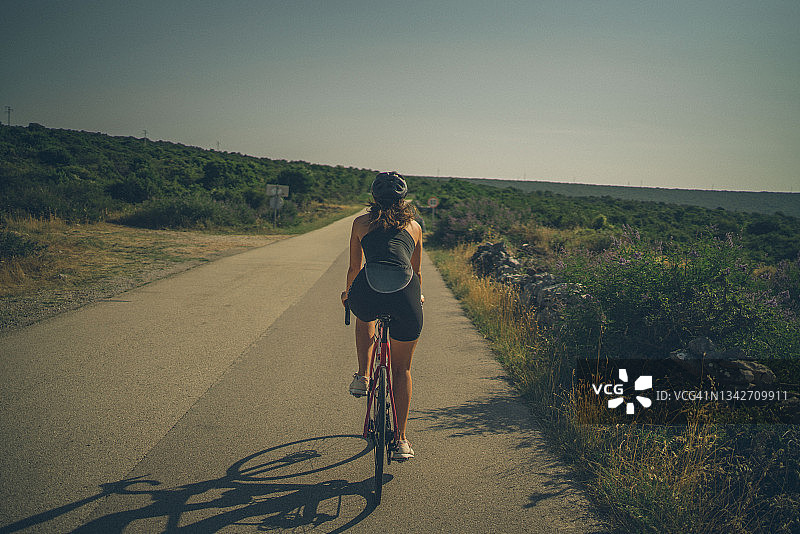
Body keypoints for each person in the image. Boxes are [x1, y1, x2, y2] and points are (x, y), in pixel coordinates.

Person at [341, 171, 424, 460]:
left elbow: (354, 269)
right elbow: (416, 271)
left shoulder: (360, 223)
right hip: (406, 297)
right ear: (403, 200)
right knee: (401, 371)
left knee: (365, 312)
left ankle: (363, 376)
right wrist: (418, 297)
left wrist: (348, 293)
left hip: (369, 293)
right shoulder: (414, 227)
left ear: (374, 198)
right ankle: (401, 440)